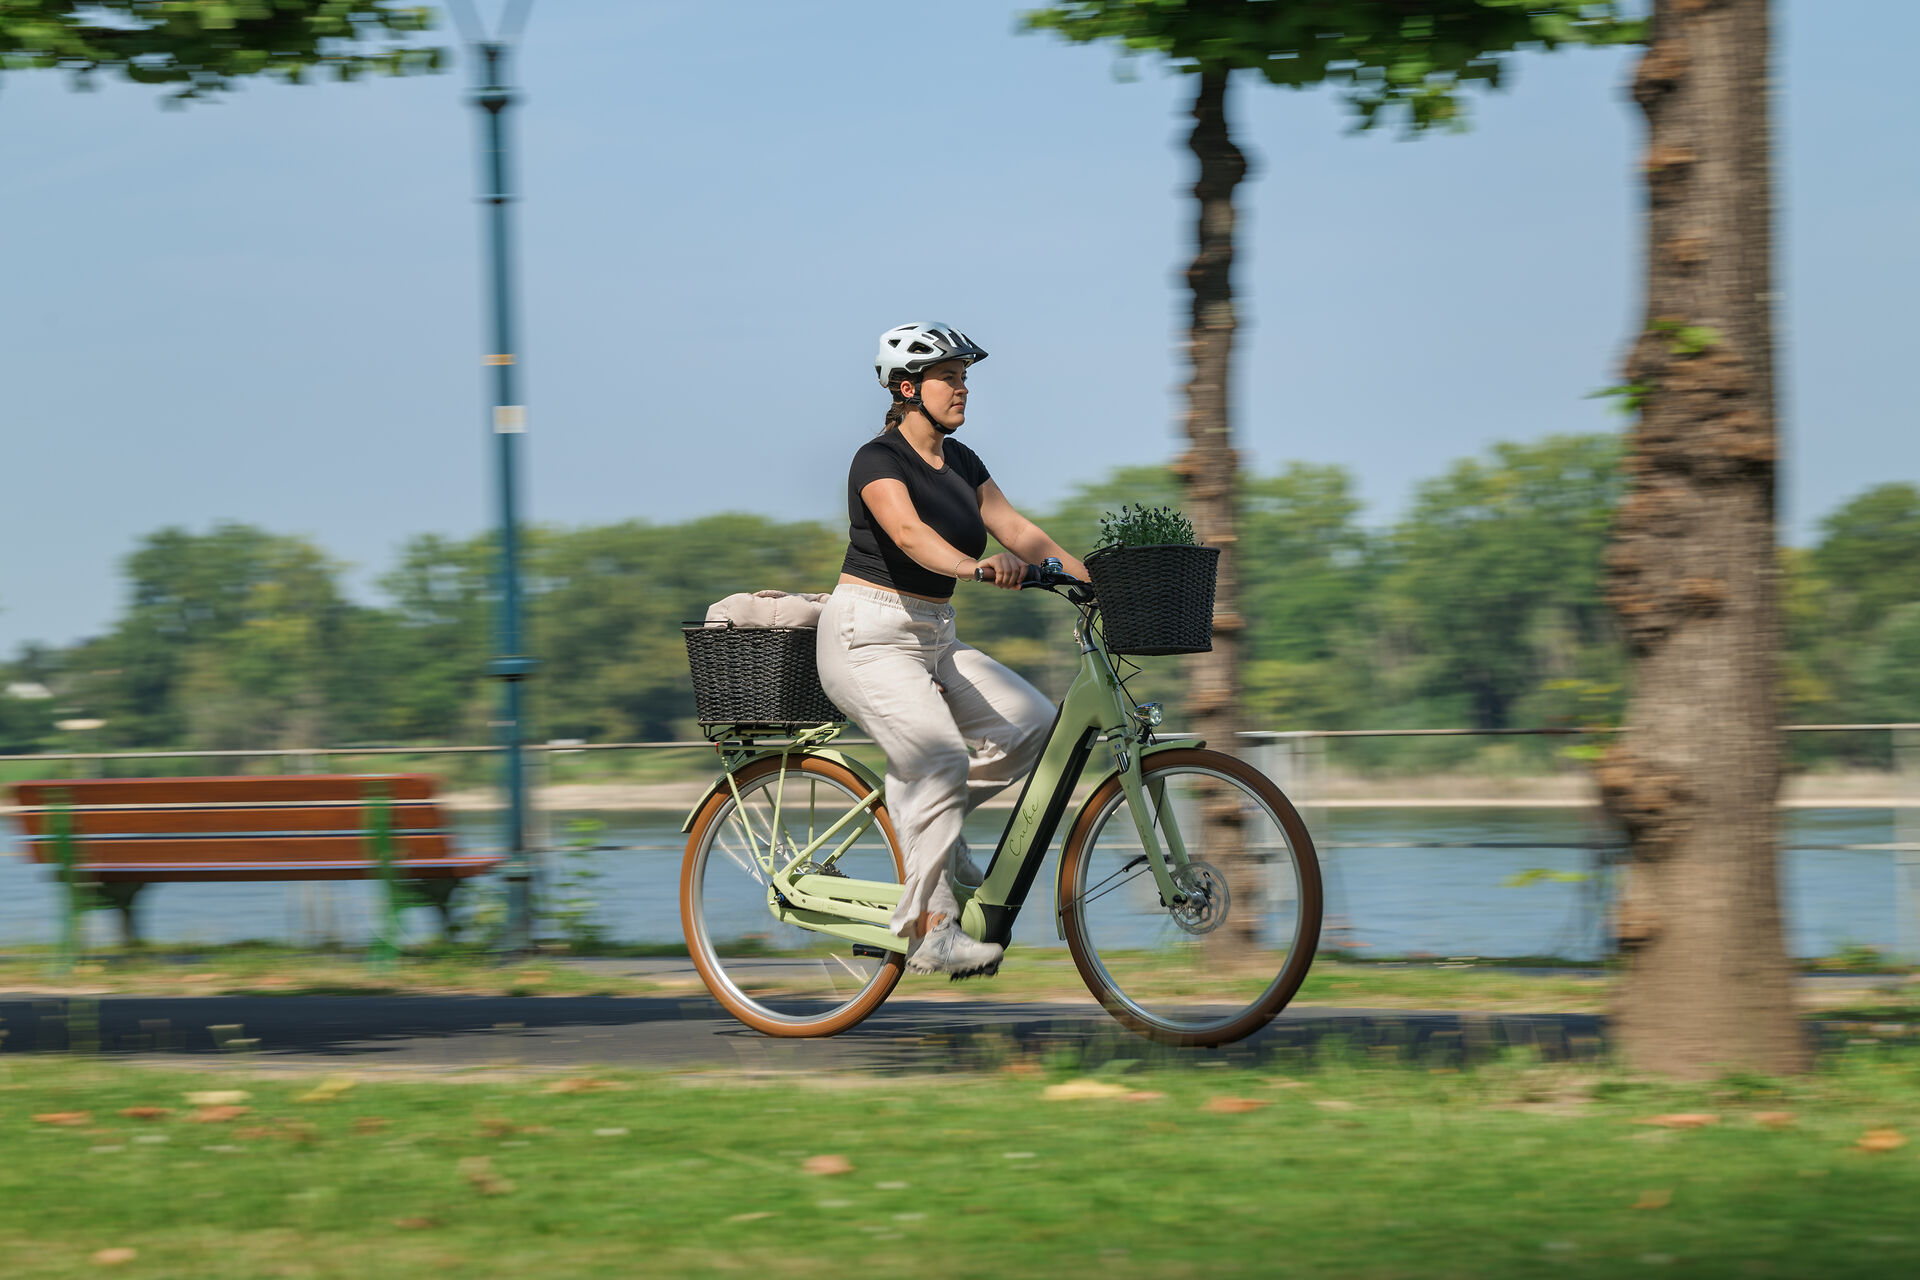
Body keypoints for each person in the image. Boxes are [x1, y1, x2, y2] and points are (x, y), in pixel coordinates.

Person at [816, 322, 1089, 978]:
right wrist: (974, 569)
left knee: (1036, 730)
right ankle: (930, 929)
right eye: (951, 378)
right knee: (939, 756)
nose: (964, 389)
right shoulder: (876, 461)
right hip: (866, 634)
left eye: (966, 377)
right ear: (909, 388)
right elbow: (909, 534)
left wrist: (1093, 583)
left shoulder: (963, 463)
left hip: (935, 633)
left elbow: (1018, 529)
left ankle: (928, 814)